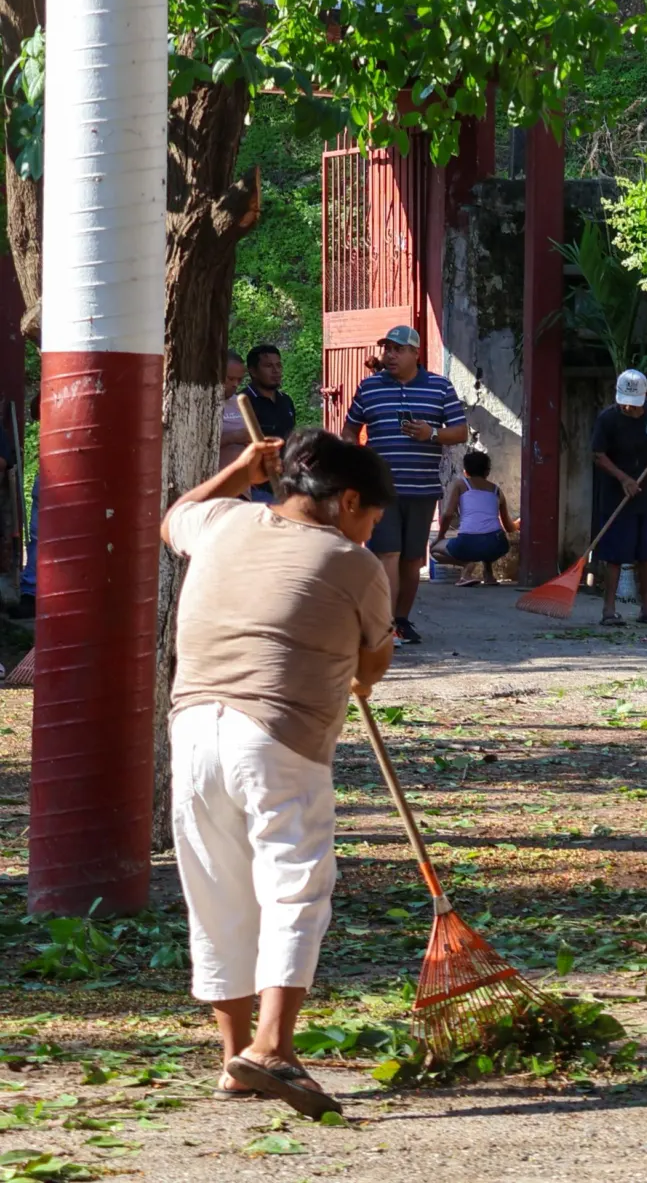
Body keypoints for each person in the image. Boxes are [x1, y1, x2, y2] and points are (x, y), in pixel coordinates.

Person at [164, 427, 396, 1121]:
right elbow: (374, 663)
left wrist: (238, 469)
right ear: (346, 499)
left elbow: (173, 516)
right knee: (295, 884)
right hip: (278, 736)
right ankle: (272, 1047)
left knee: (218, 892)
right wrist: (359, 671)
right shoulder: (354, 564)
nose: (368, 532)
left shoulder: (222, 520)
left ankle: (235, 1060)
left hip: (194, 729)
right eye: (370, 518)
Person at [338, 324, 466, 646]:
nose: (390, 355)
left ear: (415, 353)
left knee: (412, 560)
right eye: (387, 349)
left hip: (422, 488)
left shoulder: (439, 387)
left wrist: (431, 434)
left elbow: (460, 431)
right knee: (386, 554)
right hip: (381, 488)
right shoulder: (369, 388)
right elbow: (349, 430)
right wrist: (355, 461)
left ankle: (402, 621)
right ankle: (383, 624)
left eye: (398, 350)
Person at [590, 370, 647, 626]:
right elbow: (598, 455)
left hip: (646, 492)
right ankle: (608, 611)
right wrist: (623, 479)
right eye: (624, 401)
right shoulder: (608, 419)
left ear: (644, 398)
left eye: (634, 404)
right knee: (614, 553)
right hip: (616, 494)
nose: (628, 407)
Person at [432, 449, 517, 587]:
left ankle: (466, 566)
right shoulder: (496, 490)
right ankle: (488, 574)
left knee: (434, 549)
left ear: (465, 471)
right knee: (487, 534)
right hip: (497, 545)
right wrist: (518, 524)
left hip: (468, 543)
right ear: (487, 472)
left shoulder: (461, 484)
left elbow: (447, 514)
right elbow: (508, 527)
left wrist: (440, 536)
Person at [232, 345, 298, 503]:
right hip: (255, 487)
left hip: (285, 481)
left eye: (278, 365)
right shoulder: (242, 402)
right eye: (268, 366)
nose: (276, 371)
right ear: (253, 371)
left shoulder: (286, 401)